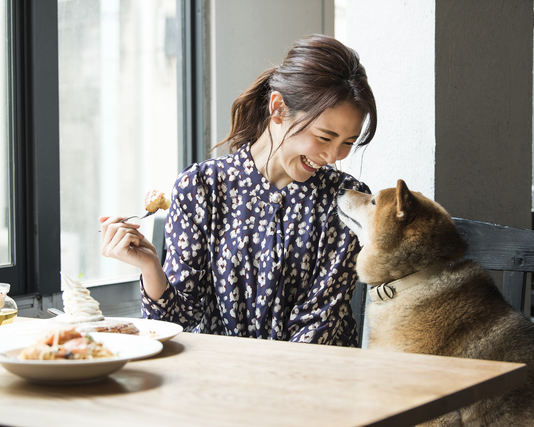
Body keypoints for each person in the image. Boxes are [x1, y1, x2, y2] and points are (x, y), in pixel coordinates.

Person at [100, 34, 377, 346]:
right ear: (278, 109)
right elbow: (174, 323)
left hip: (314, 381)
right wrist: (150, 265)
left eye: (348, 143)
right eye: (325, 137)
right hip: (221, 379)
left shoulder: (347, 200)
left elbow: (319, 326)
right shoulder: (200, 188)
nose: (332, 156)